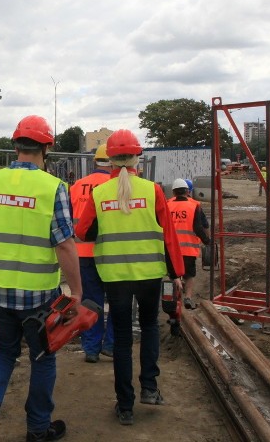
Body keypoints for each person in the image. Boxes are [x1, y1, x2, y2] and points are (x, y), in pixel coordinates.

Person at [0, 115, 82, 442]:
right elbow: (66, 245)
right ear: (47, 148)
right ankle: (38, 429)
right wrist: (77, 292)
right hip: (39, 296)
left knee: (3, 351)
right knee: (43, 358)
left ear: (15, 145)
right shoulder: (53, 187)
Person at [75, 129, 184, 427]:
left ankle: (125, 406)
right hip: (149, 275)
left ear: (109, 160)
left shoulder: (99, 193)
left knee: (121, 338)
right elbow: (169, 237)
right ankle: (149, 388)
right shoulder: (153, 190)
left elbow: (83, 232)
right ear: (138, 157)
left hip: (115, 276)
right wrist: (177, 274)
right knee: (149, 327)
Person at [70, 143, 115, 363]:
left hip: (82, 253)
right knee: (117, 300)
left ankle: (90, 348)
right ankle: (111, 344)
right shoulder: (117, 186)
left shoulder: (77, 186)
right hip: (111, 253)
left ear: (95, 161)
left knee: (90, 300)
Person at [168, 178, 211, 309]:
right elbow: (199, 227)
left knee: (174, 274)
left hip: (171, 249)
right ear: (187, 191)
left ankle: (174, 297)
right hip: (188, 249)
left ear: (173, 192)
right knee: (189, 275)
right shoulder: (194, 205)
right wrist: (207, 241)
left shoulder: (167, 204)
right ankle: (187, 297)